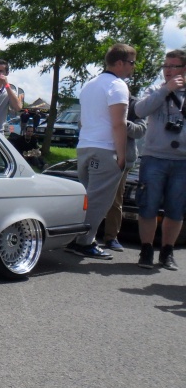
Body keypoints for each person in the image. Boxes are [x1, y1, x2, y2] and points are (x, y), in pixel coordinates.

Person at [65, 43, 132, 259]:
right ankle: (83, 242)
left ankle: (79, 238)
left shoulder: (90, 84)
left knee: (87, 198)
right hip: (104, 149)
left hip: (85, 146)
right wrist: (122, 156)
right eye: (131, 63)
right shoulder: (117, 86)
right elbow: (119, 124)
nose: (133, 67)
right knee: (99, 201)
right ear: (120, 63)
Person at [133, 49, 186, 270]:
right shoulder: (155, 90)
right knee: (148, 206)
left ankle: (167, 252)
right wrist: (166, 90)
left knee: (176, 209)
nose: (168, 70)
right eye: (165, 66)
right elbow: (139, 109)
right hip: (154, 157)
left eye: (174, 66)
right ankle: (146, 251)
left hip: (183, 161)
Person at [101, 97, 147, 252]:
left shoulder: (135, 105)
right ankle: (86, 236)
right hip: (100, 154)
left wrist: (123, 123)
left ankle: (111, 237)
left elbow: (141, 130)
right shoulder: (102, 100)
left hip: (122, 159)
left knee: (115, 200)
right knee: (92, 197)